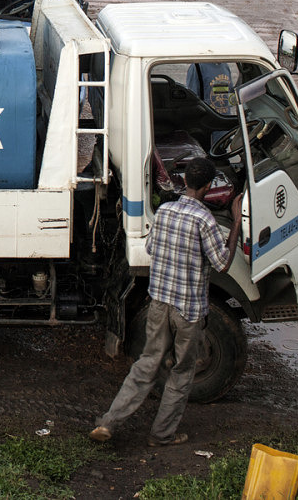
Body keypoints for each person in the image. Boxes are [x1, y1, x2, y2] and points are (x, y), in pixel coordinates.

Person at [90, 156, 243, 447]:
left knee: (146, 363)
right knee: (182, 372)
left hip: (159, 304)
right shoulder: (205, 220)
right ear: (209, 186)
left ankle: (109, 422)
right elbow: (222, 263)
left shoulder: (164, 212)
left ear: (185, 181)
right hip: (188, 311)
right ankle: (162, 434)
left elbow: (149, 247)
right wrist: (235, 223)